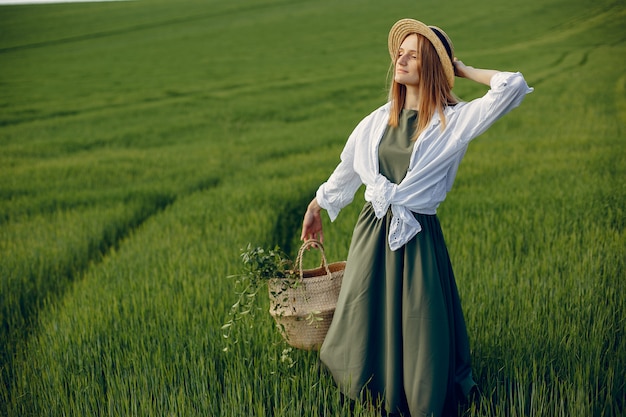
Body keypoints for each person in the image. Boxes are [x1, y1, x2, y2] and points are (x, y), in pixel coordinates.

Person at [300, 18, 533, 417]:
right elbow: (348, 169)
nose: (401, 60)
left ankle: (420, 396)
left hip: (417, 234)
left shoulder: (453, 122)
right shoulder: (376, 120)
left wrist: (460, 69)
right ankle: (366, 389)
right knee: (363, 312)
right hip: (371, 232)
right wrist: (317, 206)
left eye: (413, 55)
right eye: (400, 53)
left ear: (431, 65)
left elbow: (510, 86)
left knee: (419, 322)